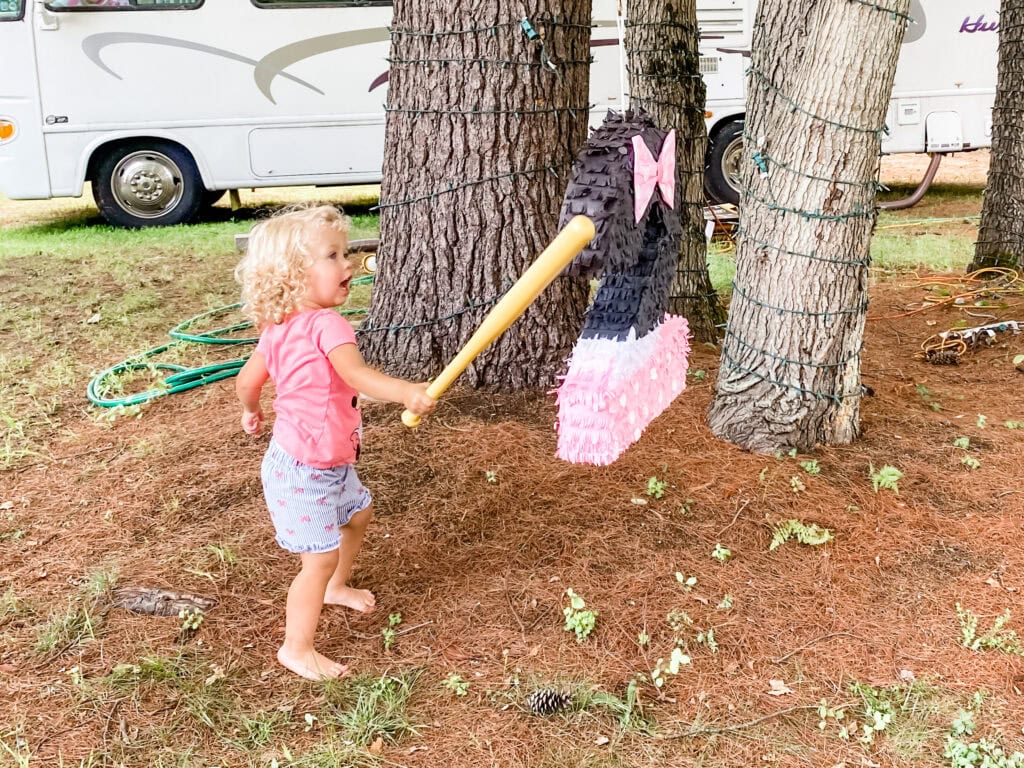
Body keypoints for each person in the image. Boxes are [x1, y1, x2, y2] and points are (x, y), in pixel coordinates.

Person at [234, 205, 435, 681]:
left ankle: (336, 586)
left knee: (359, 513)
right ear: (294, 274)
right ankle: (296, 648)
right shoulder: (327, 325)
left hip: (315, 460)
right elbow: (356, 375)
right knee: (317, 559)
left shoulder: (277, 327)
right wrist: (407, 391)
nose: (348, 264)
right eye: (332, 255)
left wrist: (251, 409)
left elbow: (247, 380)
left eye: (345, 253)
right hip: (305, 468)